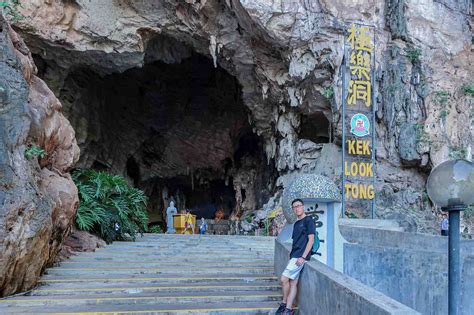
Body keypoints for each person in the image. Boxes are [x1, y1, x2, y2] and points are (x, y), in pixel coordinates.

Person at [276, 199, 315, 315]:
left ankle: (284, 303)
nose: (297, 208)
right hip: (294, 255)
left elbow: (311, 240)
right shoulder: (297, 223)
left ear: (303, 207)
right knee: (293, 283)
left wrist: (303, 257)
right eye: (294, 207)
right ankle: (288, 309)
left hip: (299, 257)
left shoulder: (309, 221)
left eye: (299, 206)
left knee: (283, 279)